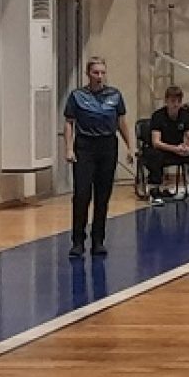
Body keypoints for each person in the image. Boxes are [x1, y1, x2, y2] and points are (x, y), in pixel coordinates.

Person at [63, 57, 135, 257]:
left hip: (107, 146)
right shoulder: (77, 96)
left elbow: (122, 122)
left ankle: (98, 241)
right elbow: (69, 122)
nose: (100, 76)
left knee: (102, 196)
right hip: (85, 147)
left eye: (103, 72)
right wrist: (68, 148)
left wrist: (130, 147)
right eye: (96, 72)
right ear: (88, 74)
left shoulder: (114, 95)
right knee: (82, 195)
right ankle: (78, 241)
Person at [146, 85, 189, 206]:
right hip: (163, 149)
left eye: (179, 101)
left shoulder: (186, 115)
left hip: (178, 148)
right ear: (166, 101)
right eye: (173, 101)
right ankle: (155, 190)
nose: (176, 104)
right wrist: (175, 149)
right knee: (155, 155)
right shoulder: (157, 116)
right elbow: (156, 142)